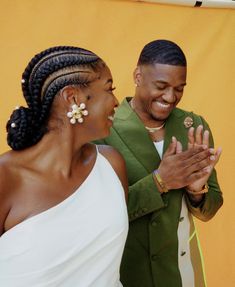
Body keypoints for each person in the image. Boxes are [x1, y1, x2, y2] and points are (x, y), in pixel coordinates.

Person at [95, 40, 223, 287]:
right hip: (124, 274)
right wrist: (160, 181)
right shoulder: (103, 128)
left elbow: (210, 209)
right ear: (138, 75)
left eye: (179, 88)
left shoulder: (193, 127)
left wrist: (197, 192)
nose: (170, 97)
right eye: (161, 86)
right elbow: (96, 215)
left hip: (180, 273)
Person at [0, 46, 129, 287]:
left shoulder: (112, 165)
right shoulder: (6, 177)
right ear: (73, 98)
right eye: (109, 89)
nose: (116, 102)